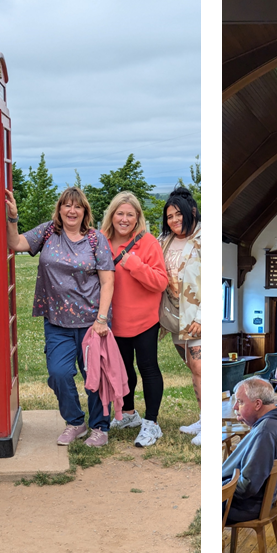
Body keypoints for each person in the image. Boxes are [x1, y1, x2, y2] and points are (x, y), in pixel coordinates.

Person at [5, 186, 115, 448]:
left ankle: (100, 427)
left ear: (85, 211)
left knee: (95, 376)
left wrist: (101, 320)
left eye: (77, 206)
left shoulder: (95, 239)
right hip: (57, 322)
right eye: (67, 205)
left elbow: (108, 281)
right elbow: (16, 243)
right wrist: (13, 217)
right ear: (60, 209)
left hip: (91, 322)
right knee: (58, 373)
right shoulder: (47, 232)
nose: (72, 210)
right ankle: (75, 422)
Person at [101, 191, 169, 448]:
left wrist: (134, 264)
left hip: (144, 320)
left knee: (148, 368)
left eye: (130, 214)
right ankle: (128, 413)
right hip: (113, 320)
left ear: (138, 217)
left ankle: (151, 423)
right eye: (120, 213)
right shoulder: (102, 241)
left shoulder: (148, 243)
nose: (125, 218)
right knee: (123, 370)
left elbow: (160, 282)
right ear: (112, 215)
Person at [224, 378, 277, 523]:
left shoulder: (266, 431)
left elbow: (248, 486)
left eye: (240, 402)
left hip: (245, 505)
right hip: (261, 498)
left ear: (258, 404)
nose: (235, 407)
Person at [159, 187, 202, 443]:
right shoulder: (164, 240)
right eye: (170, 216)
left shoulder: (202, 239)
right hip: (174, 316)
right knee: (193, 368)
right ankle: (202, 417)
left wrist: (201, 317)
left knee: (200, 367)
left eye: (178, 215)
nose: (174, 220)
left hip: (194, 316)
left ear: (191, 212)